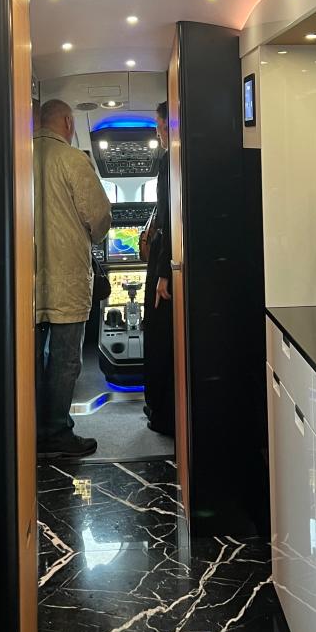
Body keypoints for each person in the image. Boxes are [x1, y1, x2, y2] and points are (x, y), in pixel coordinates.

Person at [35, 98, 112, 458]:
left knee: (31, 360)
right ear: (68, 122)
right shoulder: (73, 160)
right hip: (66, 278)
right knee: (66, 360)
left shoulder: (19, 153)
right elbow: (99, 218)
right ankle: (56, 433)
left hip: (26, 283)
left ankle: (29, 431)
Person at [139, 101, 175, 435]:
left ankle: (161, 412)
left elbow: (167, 217)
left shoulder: (168, 160)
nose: (158, 132)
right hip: (167, 256)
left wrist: (163, 271)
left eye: (160, 125)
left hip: (164, 260)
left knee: (160, 334)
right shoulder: (179, 157)